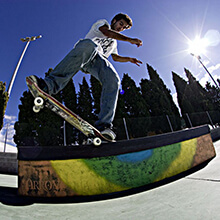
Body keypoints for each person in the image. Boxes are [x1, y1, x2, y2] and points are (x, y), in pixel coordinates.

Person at [29, 13, 142, 140]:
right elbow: (106, 32)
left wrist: (129, 59)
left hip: (98, 62)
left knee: (114, 79)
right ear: (114, 20)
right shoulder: (103, 23)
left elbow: (115, 57)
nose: (121, 28)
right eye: (121, 24)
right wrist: (129, 39)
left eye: (124, 28)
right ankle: (48, 85)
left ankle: (104, 125)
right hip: (85, 53)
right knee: (90, 45)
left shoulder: (114, 43)